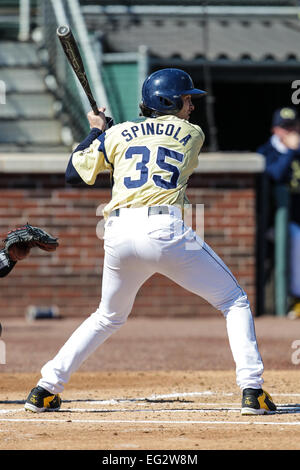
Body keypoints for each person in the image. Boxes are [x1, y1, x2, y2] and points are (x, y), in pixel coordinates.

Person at [24, 68, 276, 416]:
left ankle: (45, 389)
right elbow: (157, 139)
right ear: (169, 101)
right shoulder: (192, 133)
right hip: (164, 227)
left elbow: (73, 173)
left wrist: (97, 131)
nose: (191, 105)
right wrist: (108, 134)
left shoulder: (118, 134)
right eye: (186, 99)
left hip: (117, 231)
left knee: (107, 316)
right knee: (234, 301)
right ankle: (252, 390)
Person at [257, 107, 300, 318]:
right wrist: (291, 151)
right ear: (275, 129)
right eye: (285, 128)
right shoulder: (267, 151)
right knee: (296, 236)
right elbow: (275, 174)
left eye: (292, 127)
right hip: (275, 221)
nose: (290, 132)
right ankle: (296, 298)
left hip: (296, 215)